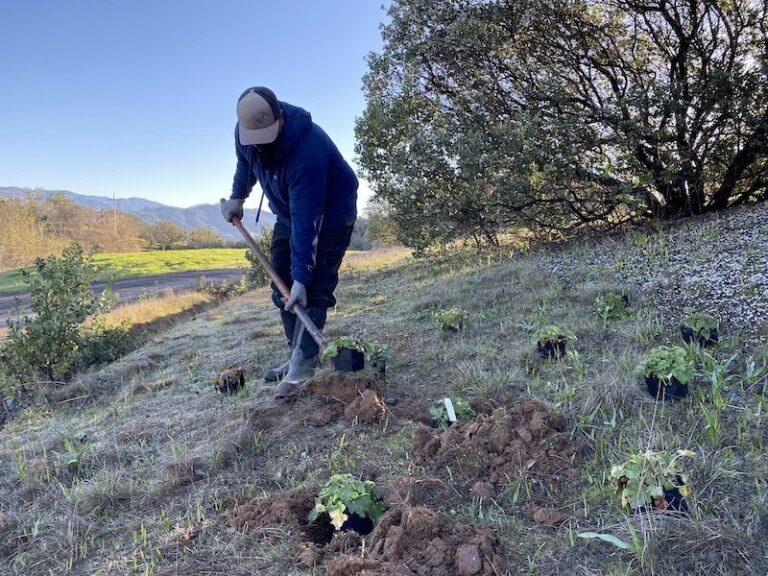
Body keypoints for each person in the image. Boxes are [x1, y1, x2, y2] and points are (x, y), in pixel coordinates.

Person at [220, 86, 358, 398]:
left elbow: (308, 222)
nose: (261, 146)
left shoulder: (307, 151)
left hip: (331, 213)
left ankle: (303, 364)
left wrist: (302, 278)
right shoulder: (245, 133)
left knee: (313, 287)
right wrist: (237, 197)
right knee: (280, 283)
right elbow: (246, 163)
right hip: (288, 213)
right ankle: (294, 350)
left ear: (280, 118)